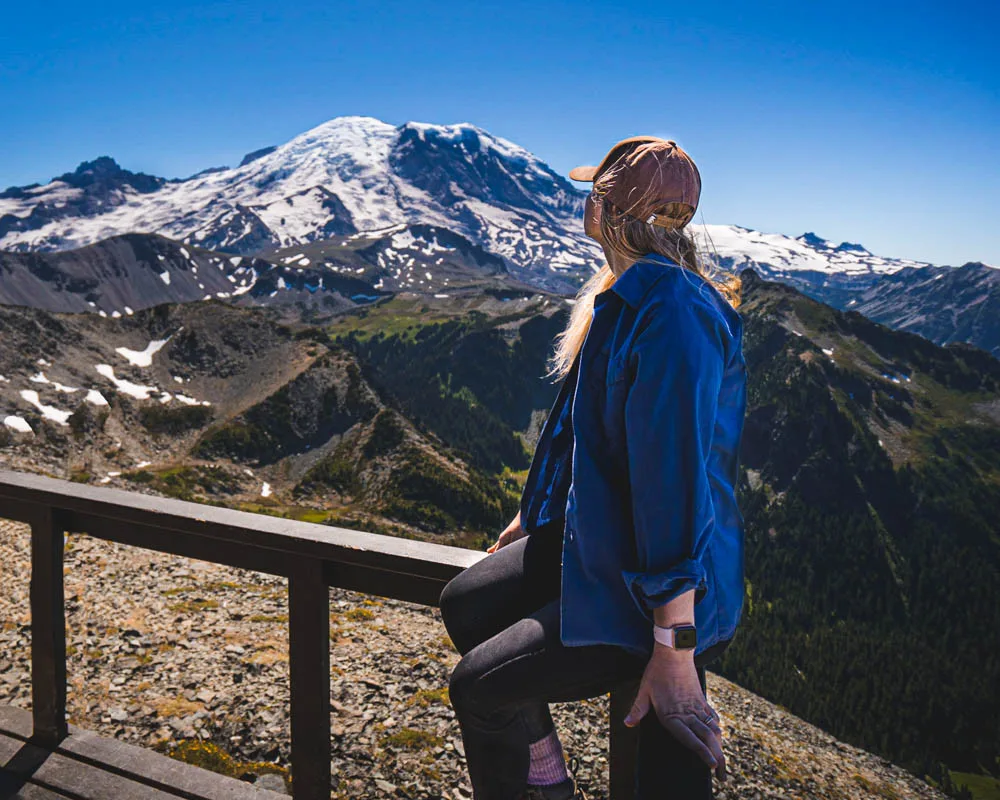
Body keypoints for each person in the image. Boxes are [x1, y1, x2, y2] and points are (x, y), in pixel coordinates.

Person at [438, 136, 747, 800]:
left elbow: (673, 487)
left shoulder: (673, 318)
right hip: (610, 544)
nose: (586, 204)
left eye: (594, 194)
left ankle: (542, 786)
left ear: (616, 210)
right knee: (466, 603)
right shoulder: (628, 295)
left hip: (658, 583)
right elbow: (579, 435)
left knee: (479, 689)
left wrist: (673, 645)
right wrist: (535, 513)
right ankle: (547, 776)